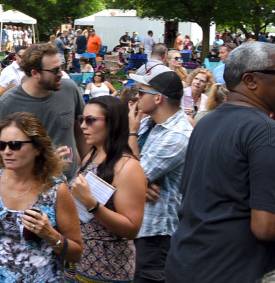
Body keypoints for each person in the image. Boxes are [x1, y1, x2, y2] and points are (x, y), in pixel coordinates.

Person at [166, 42, 275, 283]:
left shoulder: (206, 122)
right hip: (232, 269)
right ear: (250, 80)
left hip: (186, 262)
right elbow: (265, 226)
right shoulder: (265, 131)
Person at [0, 112, 83, 282]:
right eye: (1, 145)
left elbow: (76, 253)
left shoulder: (56, 191)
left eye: (15, 145)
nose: (7, 151)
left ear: (38, 148)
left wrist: (50, 234)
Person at [65, 97, 147, 283]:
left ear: (112, 123)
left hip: (107, 266)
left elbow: (131, 229)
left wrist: (92, 204)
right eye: (81, 119)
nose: (83, 126)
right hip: (79, 259)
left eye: (90, 120)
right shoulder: (93, 154)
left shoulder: (127, 167)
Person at [126, 65, 191, 283]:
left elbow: (131, 178)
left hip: (154, 236)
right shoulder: (149, 123)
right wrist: (137, 185)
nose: (137, 95)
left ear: (158, 98)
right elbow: (113, 164)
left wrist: (132, 133)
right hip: (134, 228)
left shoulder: (178, 136)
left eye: (142, 91)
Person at [0, 43, 87, 177]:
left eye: (61, 67)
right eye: (54, 70)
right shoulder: (8, 103)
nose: (61, 73)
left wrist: (88, 169)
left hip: (69, 184)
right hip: (28, 186)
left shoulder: (70, 90)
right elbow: (0, 149)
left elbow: (82, 132)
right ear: (35, 73)